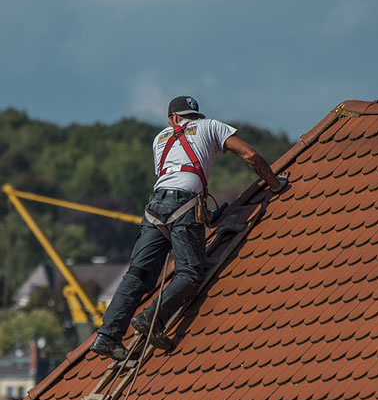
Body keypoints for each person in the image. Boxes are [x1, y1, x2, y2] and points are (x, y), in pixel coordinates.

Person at [91, 96, 287, 361]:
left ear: (173, 118)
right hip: (184, 205)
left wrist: (203, 216)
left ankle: (107, 336)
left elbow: (173, 176)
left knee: (137, 275)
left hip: (155, 208)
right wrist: (275, 184)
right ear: (192, 116)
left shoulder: (159, 139)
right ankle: (152, 318)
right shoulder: (211, 126)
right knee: (191, 273)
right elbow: (250, 156)